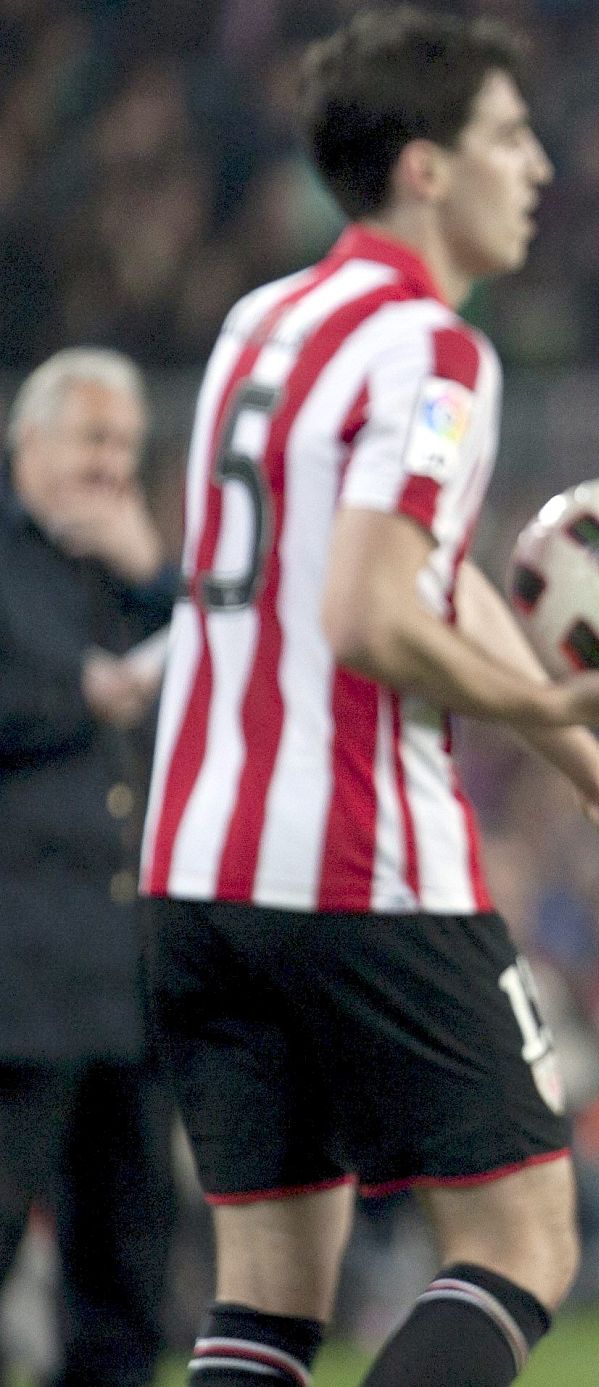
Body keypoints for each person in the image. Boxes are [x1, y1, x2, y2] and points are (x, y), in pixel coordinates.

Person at [137, 11, 599, 1387]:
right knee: (526, 1241)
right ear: (424, 167)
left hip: (196, 868)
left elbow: (427, 582)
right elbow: (373, 613)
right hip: (358, 863)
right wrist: (597, 708)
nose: (540, 168)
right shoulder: (434, 352)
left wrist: (594, 777)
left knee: (267, 1298)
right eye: (510, 138)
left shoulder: (256, 324)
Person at [0, 347, 177, 1387]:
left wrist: (154, 569)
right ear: (27, 440)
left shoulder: (131, 573)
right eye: (92, 439)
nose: (112, 465)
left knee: (126, 1266)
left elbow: (229, 678)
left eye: (127, 446)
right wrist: (82, 695)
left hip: (127, 976)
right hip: (18, 976)